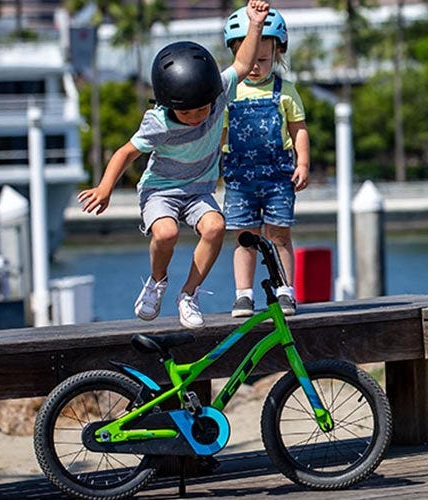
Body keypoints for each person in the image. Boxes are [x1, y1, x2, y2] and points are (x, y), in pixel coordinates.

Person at [77, 0, 272, 328]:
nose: (197, 117)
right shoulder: (158, 122)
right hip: (160, 191)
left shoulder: (218, 93)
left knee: (215, 227)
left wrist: (254, 24)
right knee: (166, 234)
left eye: (202, 109)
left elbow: (242, 63)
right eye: (187, 112)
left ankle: (188, 295)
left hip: (198, 191)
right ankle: (156, 283)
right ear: (169, 105)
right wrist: (105, 188)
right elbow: (126, 152)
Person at [221, 7, 309, 317]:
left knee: (280, 235)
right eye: (250, 59)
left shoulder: (285, 91)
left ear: (277, 53)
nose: (256, 67)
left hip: (278, 176)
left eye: (263, 60)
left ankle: (285, 290)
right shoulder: (229, 92)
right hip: (240, 178)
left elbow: (298, 130)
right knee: (245, 238)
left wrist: (303, 164)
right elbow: (221, 134)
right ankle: (243, 295)